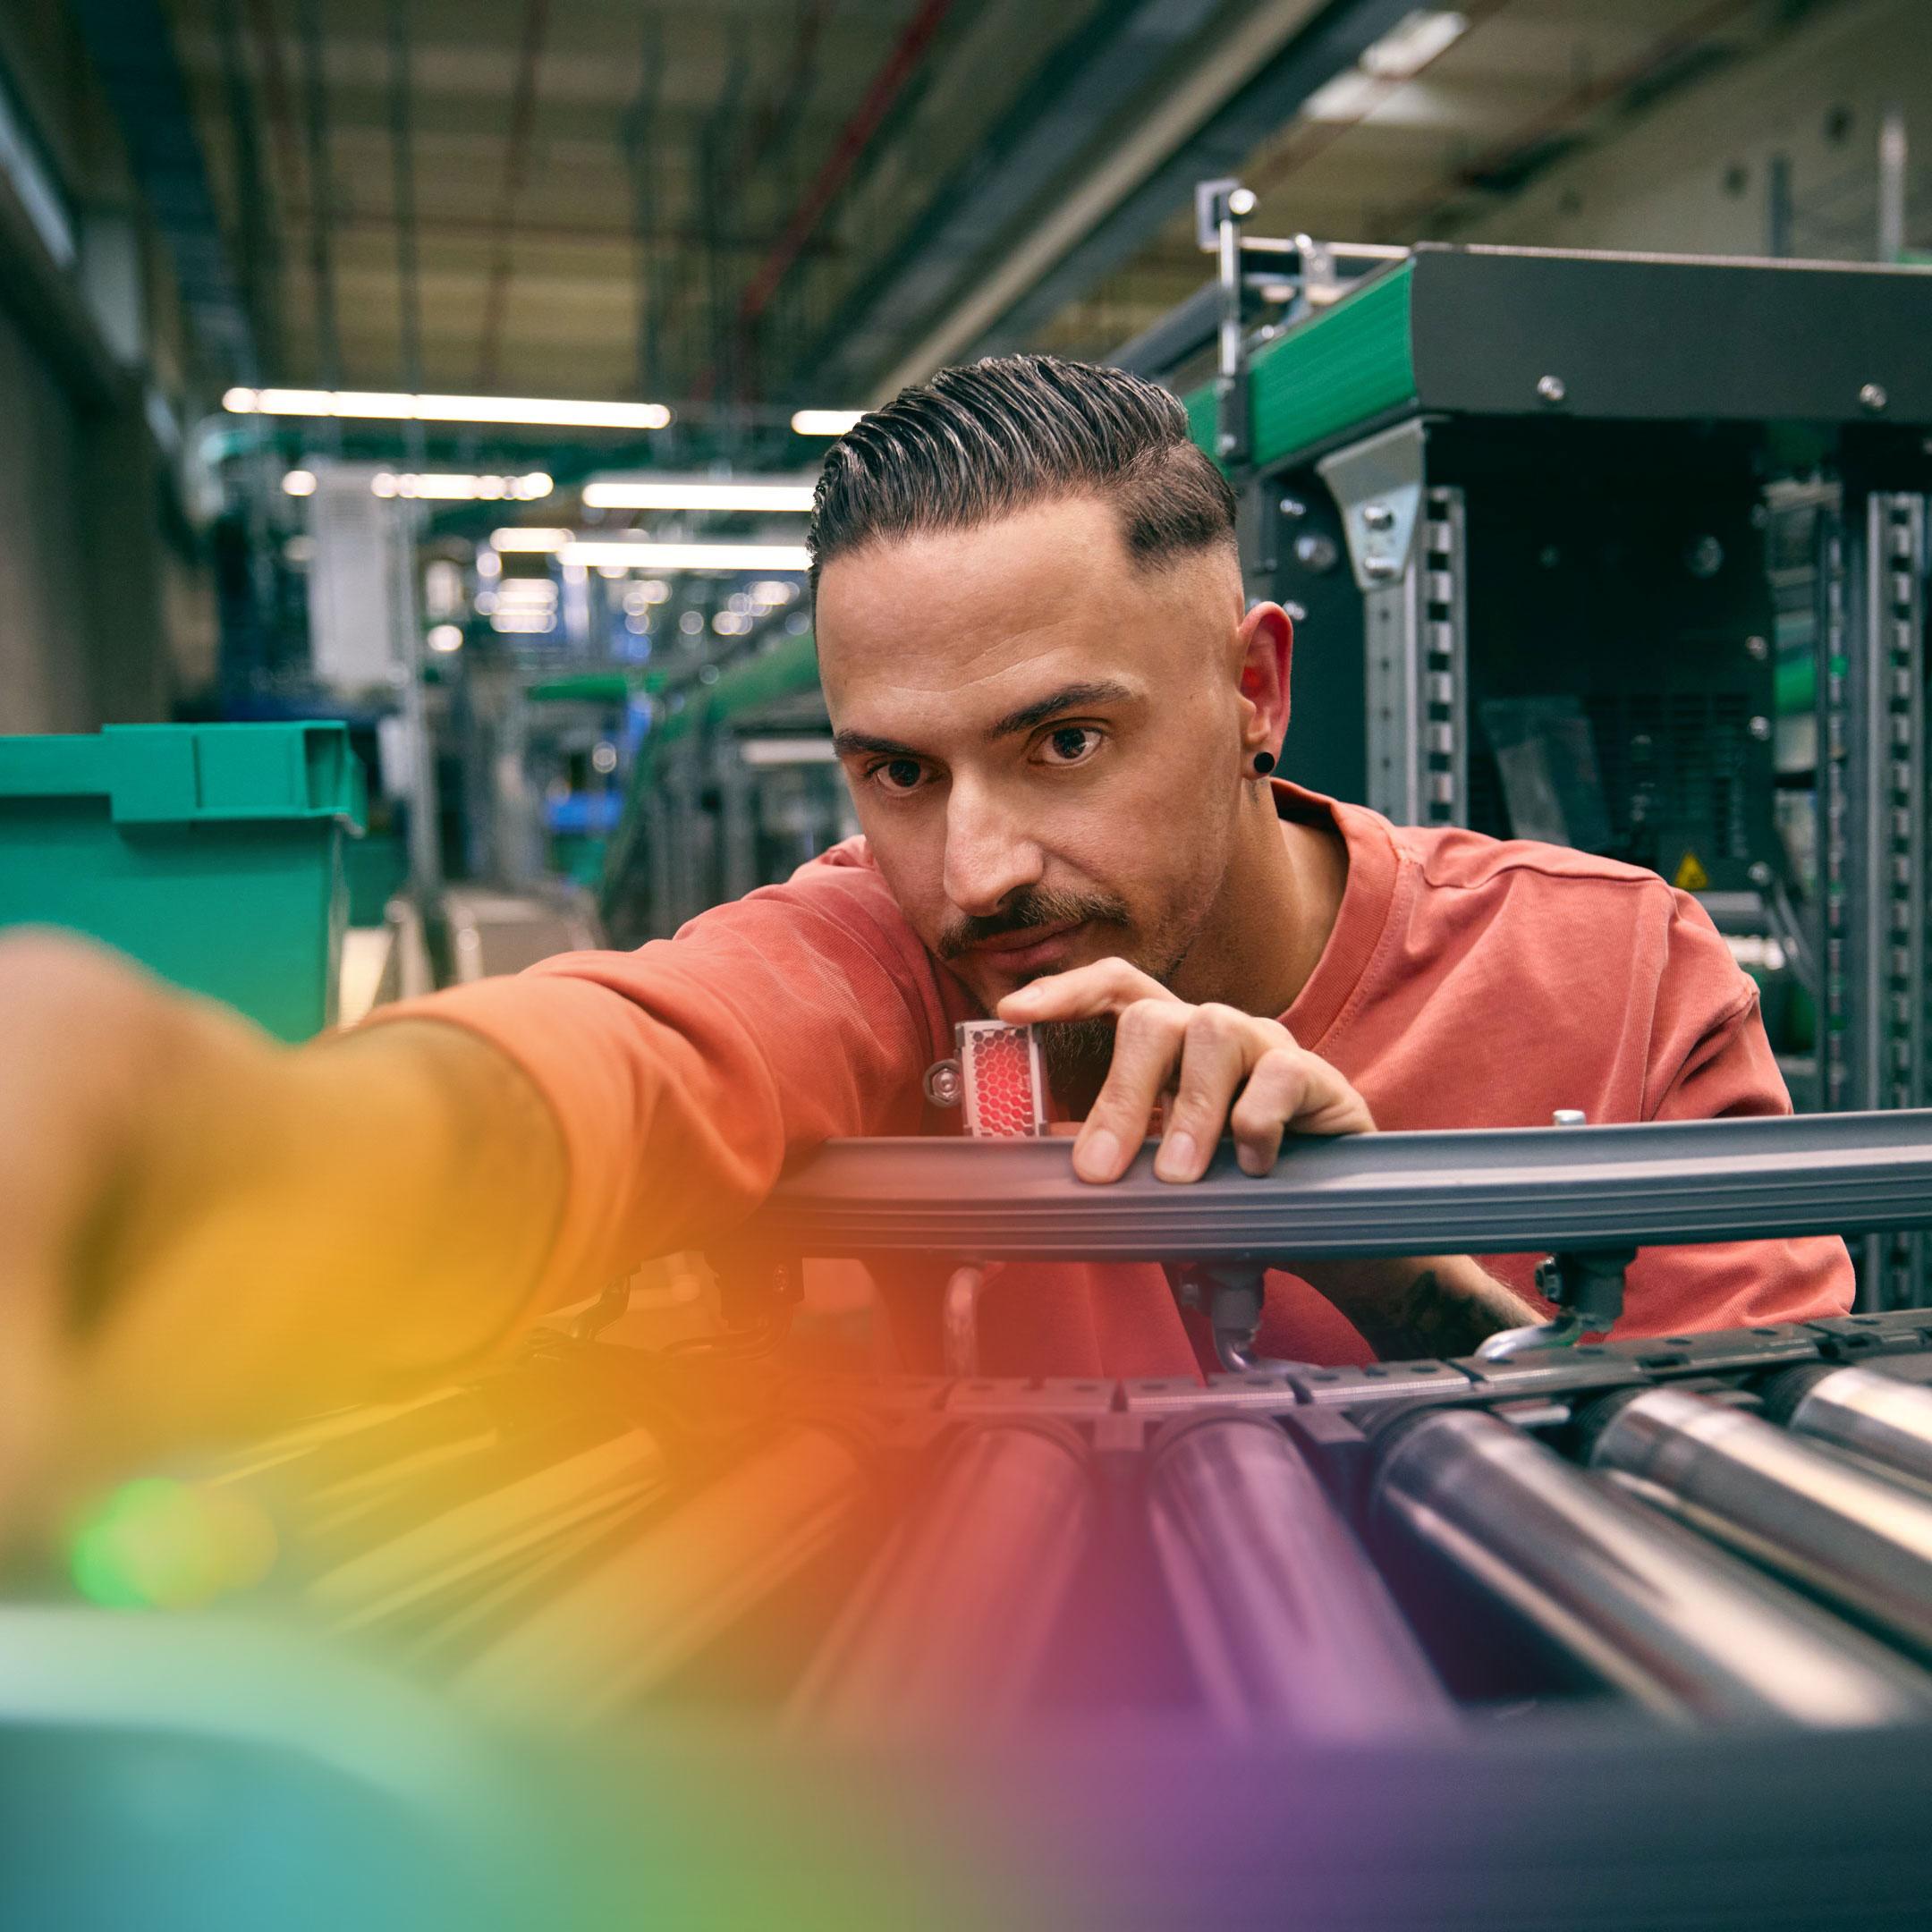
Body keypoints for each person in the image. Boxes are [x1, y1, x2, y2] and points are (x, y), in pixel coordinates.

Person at [0, 355, 1847, 1500]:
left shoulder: (1612, 975)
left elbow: (1773, 1536)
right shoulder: (883, 957)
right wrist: (220, 1139)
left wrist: (1386, 1266)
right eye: (897, 772)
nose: (974, 873)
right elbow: (637, 1055)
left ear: (1255, 687)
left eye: (1064, 742)